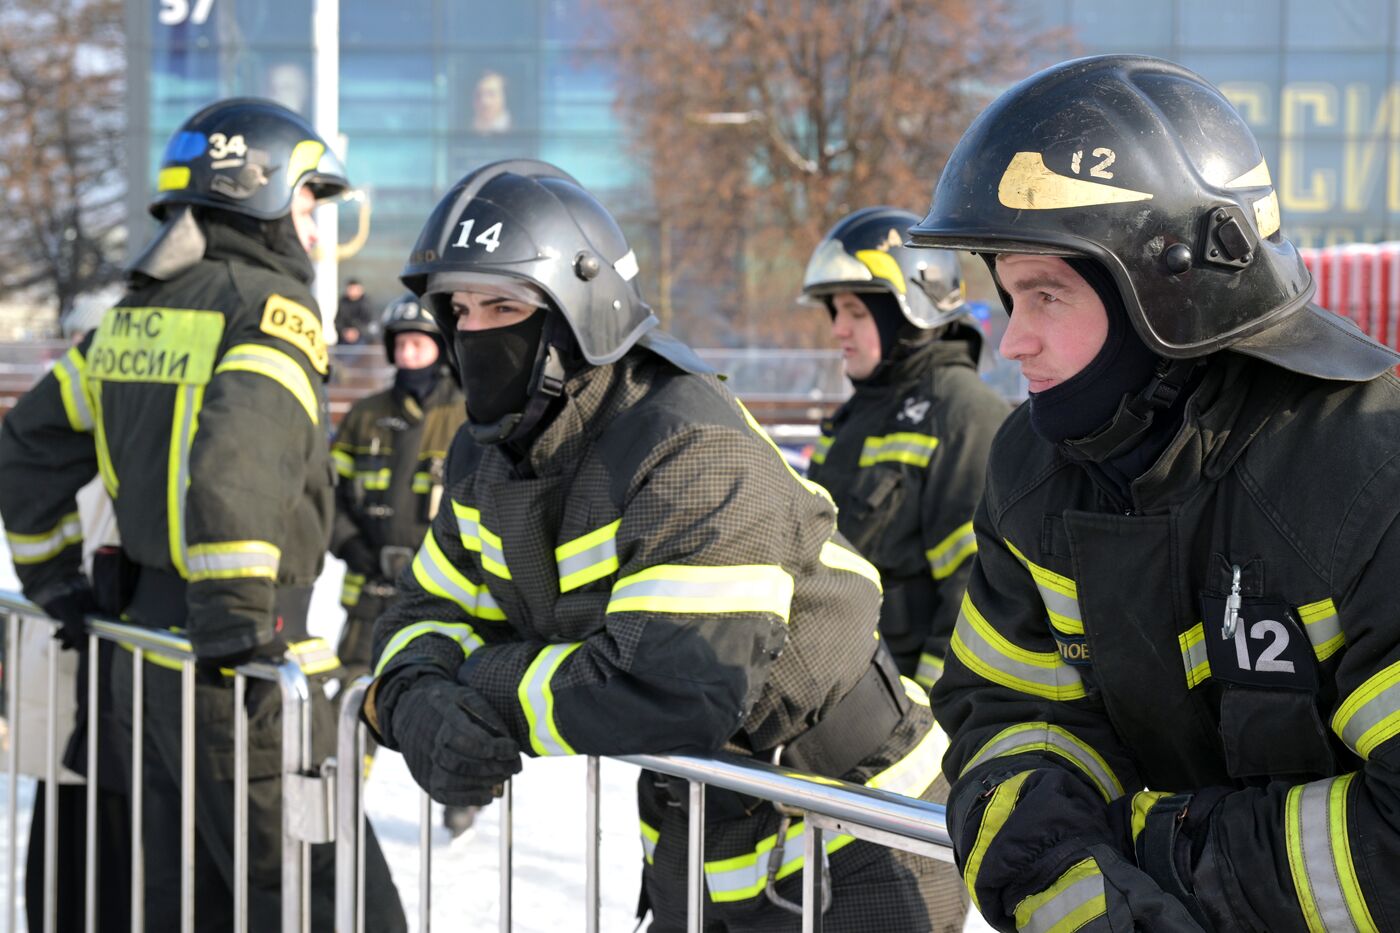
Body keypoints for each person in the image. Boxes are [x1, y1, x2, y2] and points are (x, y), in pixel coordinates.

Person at [364, 160, 962, 931]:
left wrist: (477, 682)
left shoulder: (690, 441)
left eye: (502, 305)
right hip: (702, 828)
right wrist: (412, 696)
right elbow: (424, 609)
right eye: (460, 308)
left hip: (854, 828)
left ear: (579, 312)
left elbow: (671, 685)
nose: (474, 332)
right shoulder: (490, 454)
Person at [906, 54, 1400, 932]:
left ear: (1169, 287)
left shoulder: (1368, 471)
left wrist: (1165, 849)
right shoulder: (1035, 475)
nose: (1012, 342)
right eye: (1009, 296)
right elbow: (1011, 718)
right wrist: (1076, 894)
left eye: (1045, 294)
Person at [0, 97, 406, 931]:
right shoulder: (267, 311)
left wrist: (55, 580)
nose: (319, 231)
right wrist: (236, 625)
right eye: (308, 204)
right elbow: (239, 459)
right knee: (323, 896)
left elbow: (29, 445)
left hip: (139, 662)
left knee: (179, 899)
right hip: (241, 667)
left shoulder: (129, 320)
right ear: (260, 196)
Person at [802, 207, 1009, 691]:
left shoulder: (963, 415)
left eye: (856, 312)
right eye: (836, 311)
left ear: (909, 310)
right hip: (837, 690)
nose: (838, 329)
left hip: (903, 711)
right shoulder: (859, 415)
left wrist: (930, 714)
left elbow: (975, 593)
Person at [327, 292, 474, 833]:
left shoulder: (466, 414)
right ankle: (341, 796)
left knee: (450, 697)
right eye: (402, 344)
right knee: (354, 695)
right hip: (370, 590)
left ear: (439, 348)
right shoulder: (365, 416)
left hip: (447, 595)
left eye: (421, 343)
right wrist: (351, 546)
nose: (410, 354)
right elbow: (329, 494)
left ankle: (460, 794)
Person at [336, 278, 374, 345]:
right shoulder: (343, 302)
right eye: (350, 289)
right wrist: (345, 332)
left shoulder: (366, 303)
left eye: (354, 289)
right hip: (344, 338)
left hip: (362, 338)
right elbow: (338, 321)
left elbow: (369, 323)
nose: (352, 291)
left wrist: (356, 332)